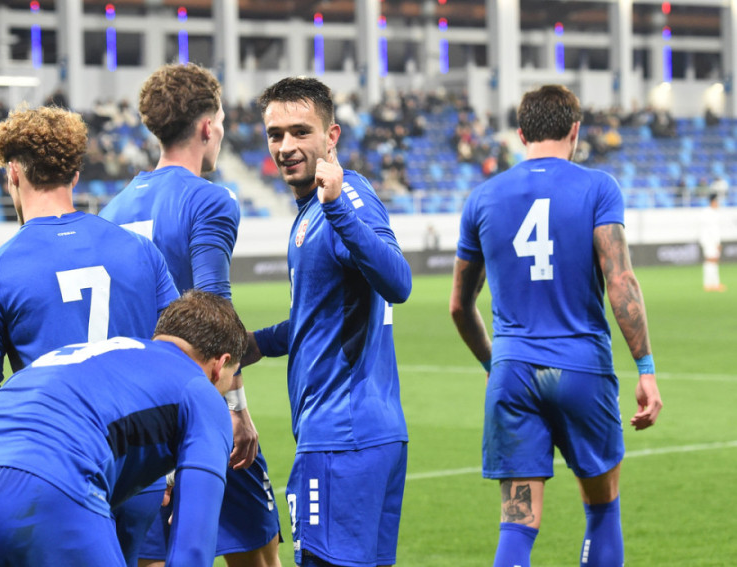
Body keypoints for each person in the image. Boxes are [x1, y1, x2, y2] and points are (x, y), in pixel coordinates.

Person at [448, 84, 664, 567]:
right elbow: (620, 280)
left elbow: (460, 307)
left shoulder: (481, 199)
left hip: (513, 374)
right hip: (582, 369)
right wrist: (646, 368)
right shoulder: (598, 188)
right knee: (602, 510)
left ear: (521, 133)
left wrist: (494, 363)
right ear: (575, 131)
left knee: (517, 523)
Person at [0, 105, 179, 551]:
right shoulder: (140, 251)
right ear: (75, 175)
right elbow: (181, 355)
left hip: (59, 472)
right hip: (139, 465)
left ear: (13, 173)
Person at [99, 63, 280, 566]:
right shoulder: (208, 200)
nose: (221, 130)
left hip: (135, 421)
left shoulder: (112, 211)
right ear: (206, 126)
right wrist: (236, 411)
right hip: (196, 404)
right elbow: (215, 309)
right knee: (259, 559)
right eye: (220, 120)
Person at [0, 291, 246, 566]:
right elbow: (192, 548)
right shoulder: (200, 389)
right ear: (220, 365)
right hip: (45, 497)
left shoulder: (97, 355)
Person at [241, 77, 412, 567]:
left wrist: (337, 208)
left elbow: (398, 281)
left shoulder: (344, 196)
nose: (286, 146)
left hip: (341, 435)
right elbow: (318, 317)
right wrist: (253, 344)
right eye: (276, 134)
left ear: (331, 135)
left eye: (301, 131)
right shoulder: (311, 210)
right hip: (365, 432)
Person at [700, 192, 726, 292]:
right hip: (710, 240)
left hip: (707, 240)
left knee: (711, 261)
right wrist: (717, 242)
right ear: (713, 202)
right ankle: (712, 284)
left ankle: (711, 283)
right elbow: (713, 230)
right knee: (712, 260)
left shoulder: (706, 212)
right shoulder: (711, 214)